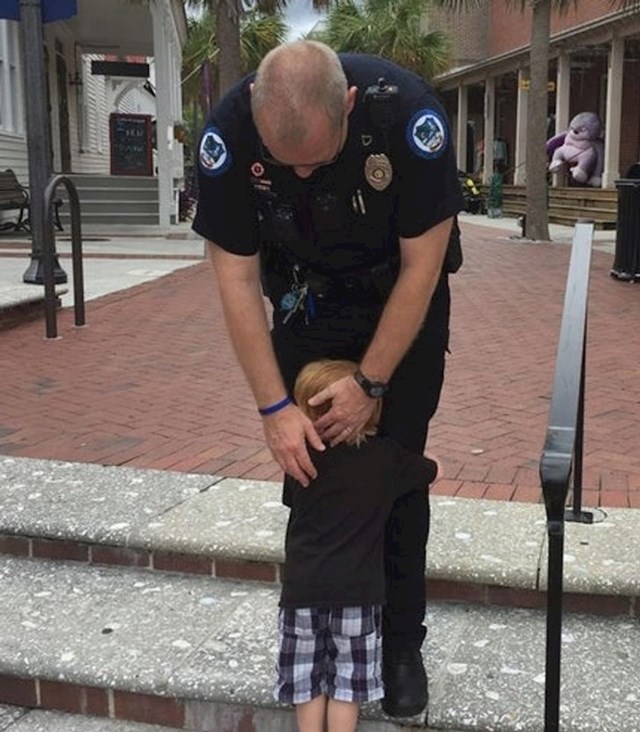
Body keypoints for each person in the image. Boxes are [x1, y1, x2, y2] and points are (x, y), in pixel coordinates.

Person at [192, 40, 463, 717]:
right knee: (310, 467)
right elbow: (235, 275)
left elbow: (422, 270)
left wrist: (371, 383)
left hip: (401, 303)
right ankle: (312, 639)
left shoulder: (407, 118)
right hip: (305, 305)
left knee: (392, 476)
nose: (305, 173)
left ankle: (400, 645)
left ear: (347, 106)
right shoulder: (227, 132)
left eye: (317, 156)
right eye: (289, 164)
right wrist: (273, 407)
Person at [274, 358, 438, 732]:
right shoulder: (385, 459)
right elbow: (430, 470)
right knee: (347, 683)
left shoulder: (298, 459)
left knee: (306, 679)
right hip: (359, 592)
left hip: (302, 589)